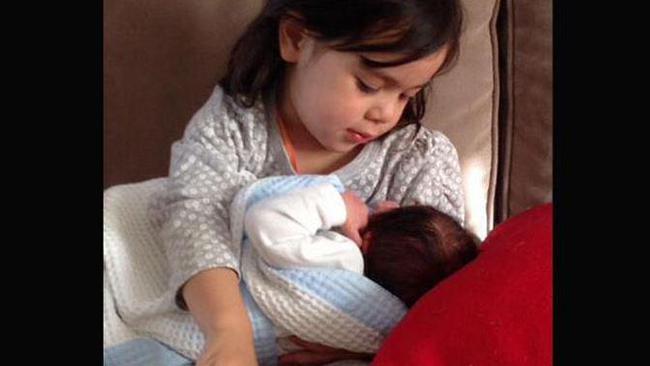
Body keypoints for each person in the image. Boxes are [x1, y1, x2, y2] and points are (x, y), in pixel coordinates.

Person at [106, 0, 466, 365]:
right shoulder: (234, 128)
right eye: (368, 85)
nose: (385, 113)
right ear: (295, 38)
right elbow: (194, 223)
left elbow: (449, 299)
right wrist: (229, 331)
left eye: (407, 94)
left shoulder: (418, 161)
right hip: (206, 324)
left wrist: (358, 344)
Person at [242, 177, 479, 309]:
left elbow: (265, 222)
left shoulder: (344, 259)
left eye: (398, 210)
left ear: (367, 241)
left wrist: (339, 207)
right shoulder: (383, 312)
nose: (390, 202)